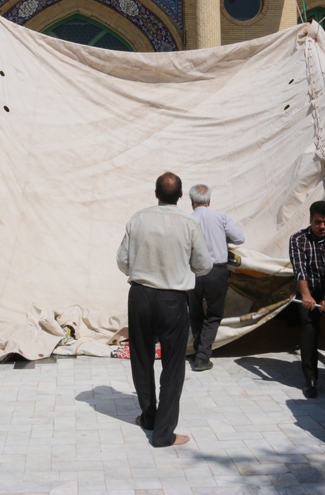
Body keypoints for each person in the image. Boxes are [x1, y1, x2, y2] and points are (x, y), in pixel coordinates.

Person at [117, 172, 212, 447]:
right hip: (172, 299)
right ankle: (163, 433)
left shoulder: (138, 218)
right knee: (172, 366)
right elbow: (204, 265)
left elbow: (122, 260)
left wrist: (142, 269)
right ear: (181, 195)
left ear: (156, 193)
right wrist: (180, 268)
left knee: (142, 359)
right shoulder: (189, 223)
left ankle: (149, 417)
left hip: (140, 296)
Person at [187, 184, 245, 372]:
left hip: (193, 272)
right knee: (214, 314)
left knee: (195, 312)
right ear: (209, 201)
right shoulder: (221, 217)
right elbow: (239, 238)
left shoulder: (185, 219)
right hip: (216, 272)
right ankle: (202, 356)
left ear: (191, 201)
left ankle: (199, 352)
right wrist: (220, 237)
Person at [288, 201, 325, 398]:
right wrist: (306, 295)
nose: (323, 227)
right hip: (308, 291)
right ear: (310, 220)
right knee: (309, 330)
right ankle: (310, 379)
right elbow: (299, 269)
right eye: (318, 222)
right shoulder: (298, 240)